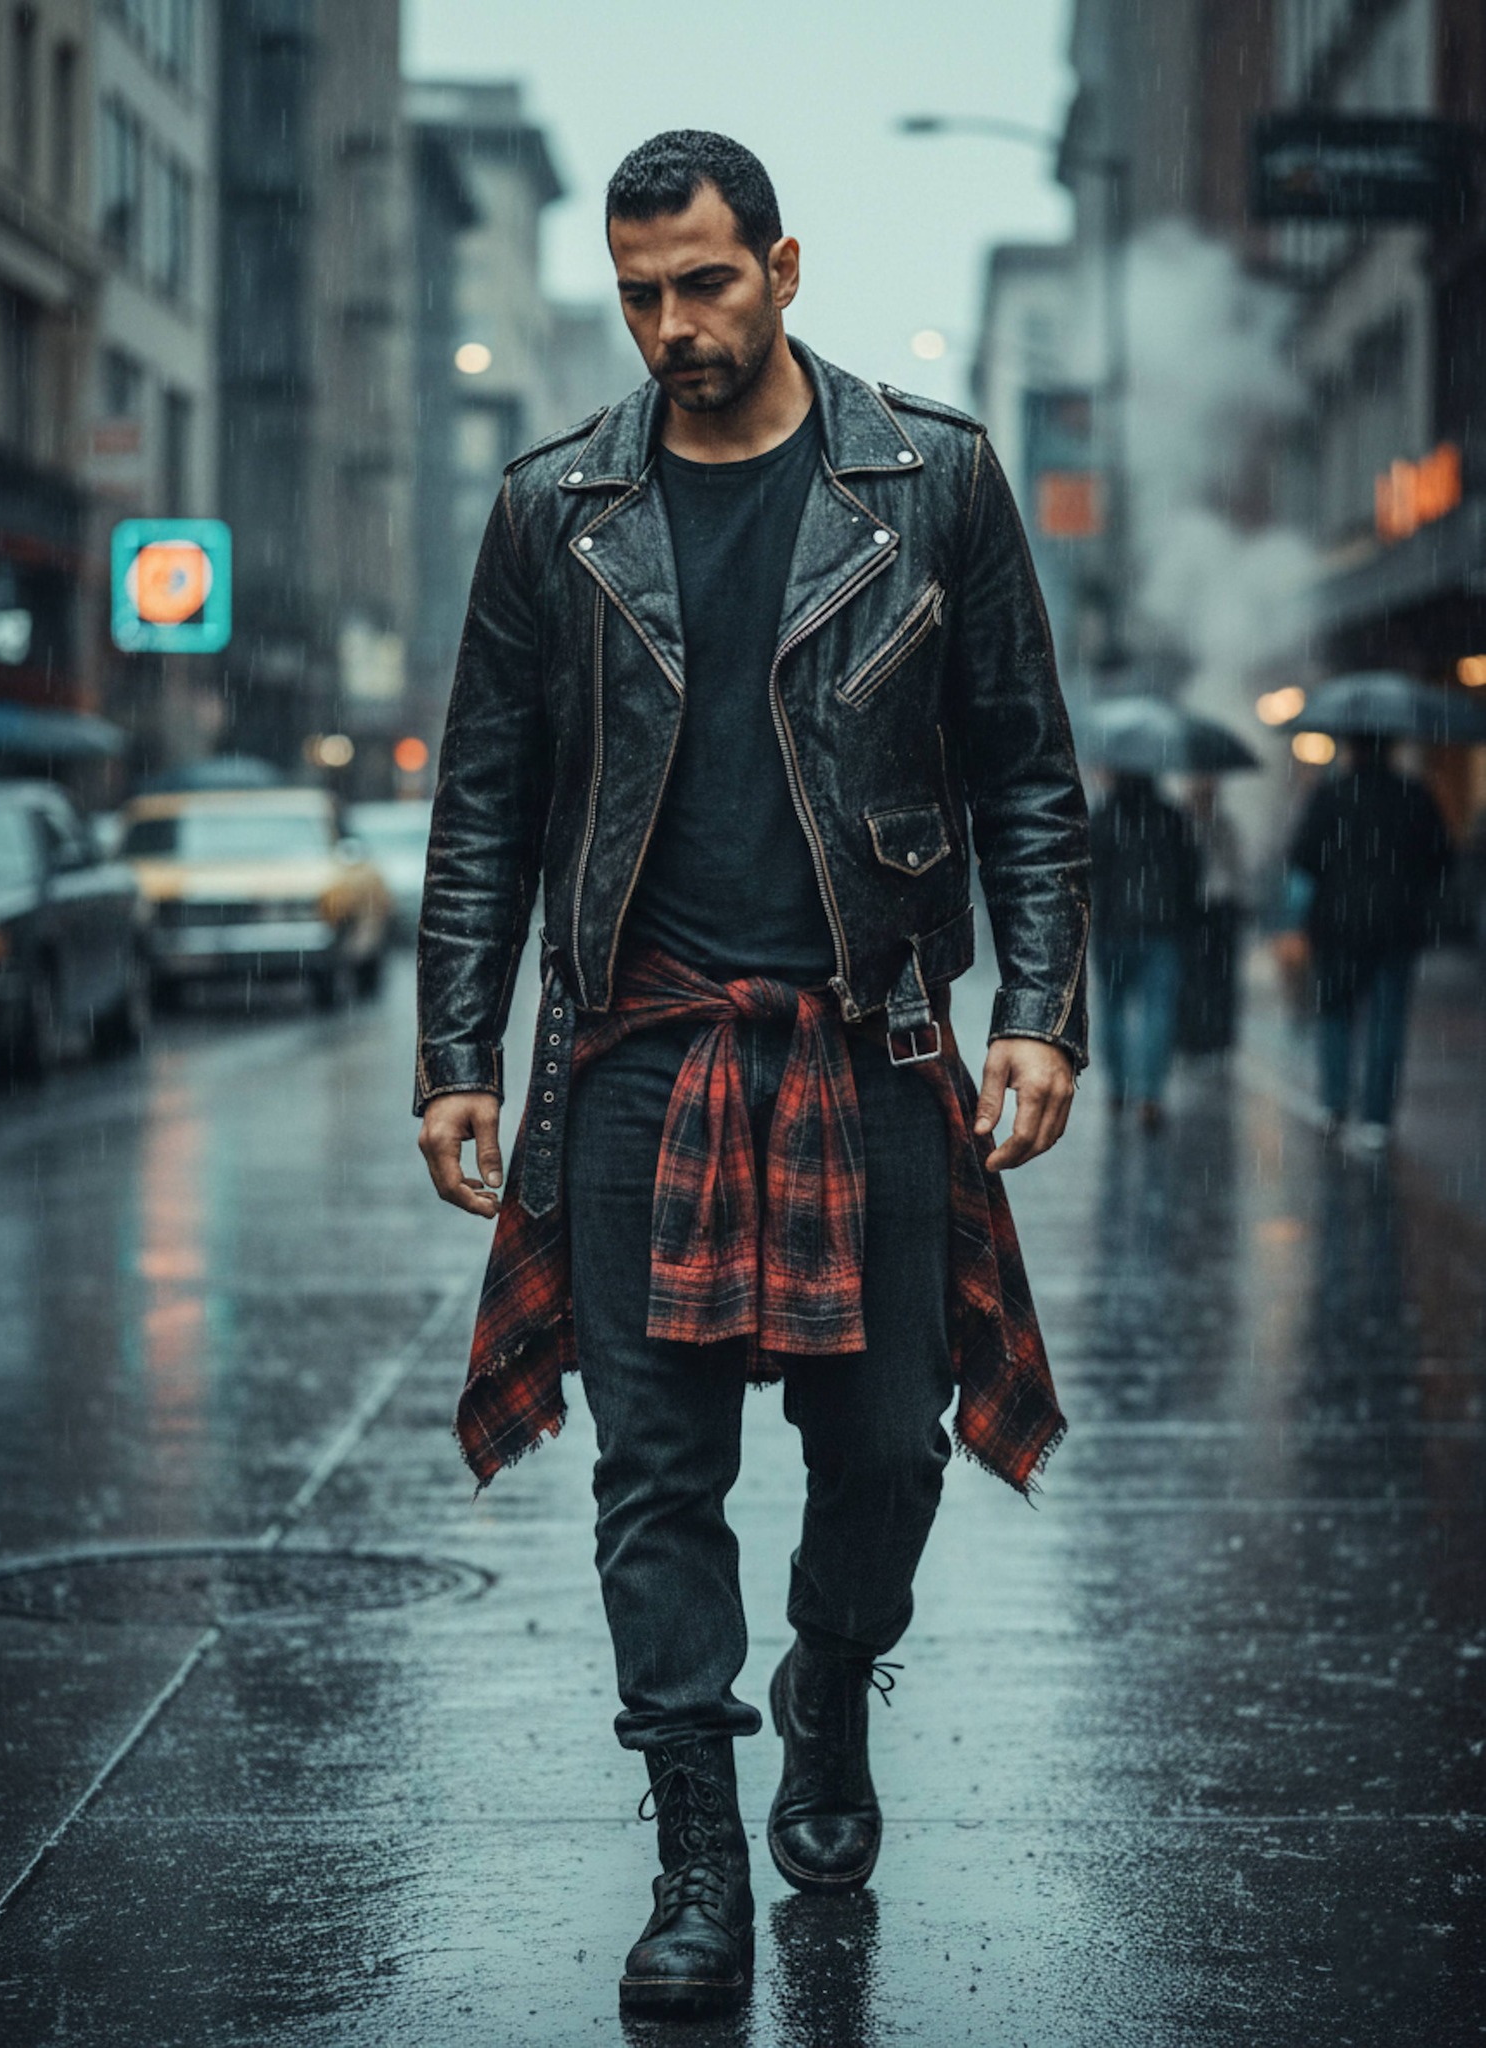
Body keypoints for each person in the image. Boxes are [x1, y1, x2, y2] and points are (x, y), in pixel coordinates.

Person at [414, 131, 1090, 2020]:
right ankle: (696, 1850)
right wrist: (454, 1051)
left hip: (867, 1045)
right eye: (641, 293)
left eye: (705, 282)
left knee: (883, 1444)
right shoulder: (556, 510)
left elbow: (1025, 766)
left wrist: (1038, 1006)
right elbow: (484, 799)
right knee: (655, 1470)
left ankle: (826, 1681)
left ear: (783, 266)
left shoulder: (928, 480)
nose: (673, 325)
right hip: (634, 1053)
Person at [1288, 735, 1452, 1149]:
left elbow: (1302, 855)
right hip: (1396, 926)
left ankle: (1334, 1101)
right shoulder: (1414, 795)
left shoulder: (1330, 795)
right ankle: (1377, 1116)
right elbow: (1441, 857)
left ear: (1351, 749)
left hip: (1338, 926)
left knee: (1336, 1015)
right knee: (1387, 1021)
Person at [1089, 769, 1200, 1129]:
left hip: (1113, 930)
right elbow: (1191, 875)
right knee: (1158, 1011)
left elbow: (1088, 872)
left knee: (1113, 1007)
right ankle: (1151, 1095)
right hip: (1161, 930)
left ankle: (1118, 1089)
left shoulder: (1104, 817)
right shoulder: (1172, 817)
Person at [1178, 775, 1247, 1058]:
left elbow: (1233, 866)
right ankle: (1194, 1034)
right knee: (1195, 975)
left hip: (1220, 907)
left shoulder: (1224, 826)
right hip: (1195, 908)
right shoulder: (1184, 824)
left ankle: (1216, 1034)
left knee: (1220, 976)